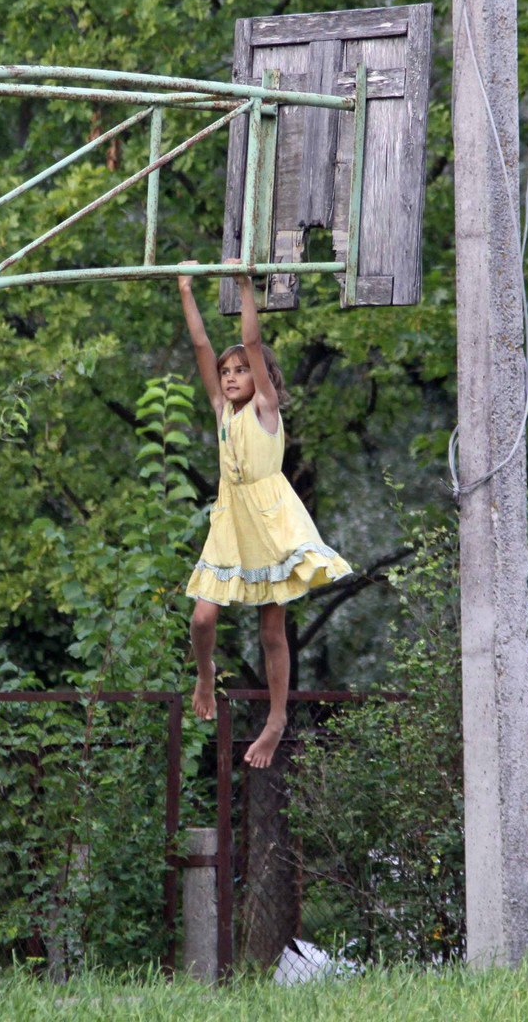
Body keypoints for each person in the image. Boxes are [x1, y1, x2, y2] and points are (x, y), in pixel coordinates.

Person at [178, 260, 352, 769]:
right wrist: (187, 289)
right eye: (227, 373)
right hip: (231, 522)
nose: (232, 377)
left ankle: (277, 720)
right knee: (202, 615)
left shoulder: (265, 410)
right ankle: (205, 672)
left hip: (270, 521)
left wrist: (242, 285)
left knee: (272, 633)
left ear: (263, 379)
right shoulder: (223, 412)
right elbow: (202, 348)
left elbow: (250, 342)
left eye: (242, 371)